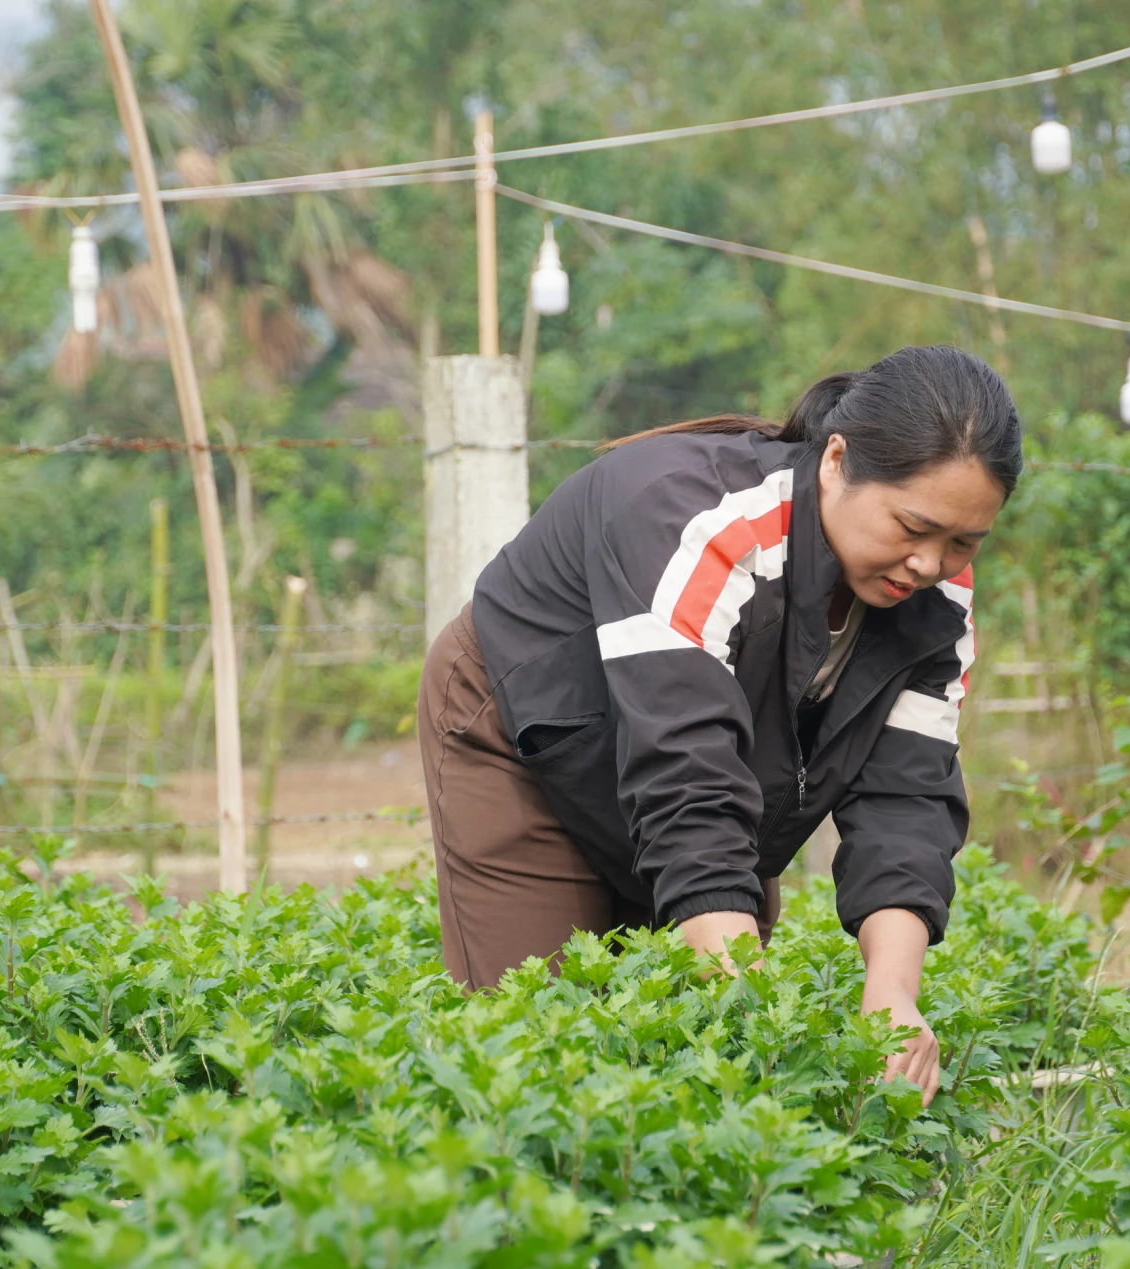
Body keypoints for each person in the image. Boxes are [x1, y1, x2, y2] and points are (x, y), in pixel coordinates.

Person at [418, 345, 1020, 1104]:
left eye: (965, 541)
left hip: (713, 767)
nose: (930, 563)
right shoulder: (707, 525)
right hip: (529, 740)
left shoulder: (936, 600)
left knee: (701, 1068)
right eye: (913, 526)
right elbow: (687, 779)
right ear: (836, 460)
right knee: (538, 1056)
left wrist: (893, 998)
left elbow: (907, 801)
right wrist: (759, 1017)